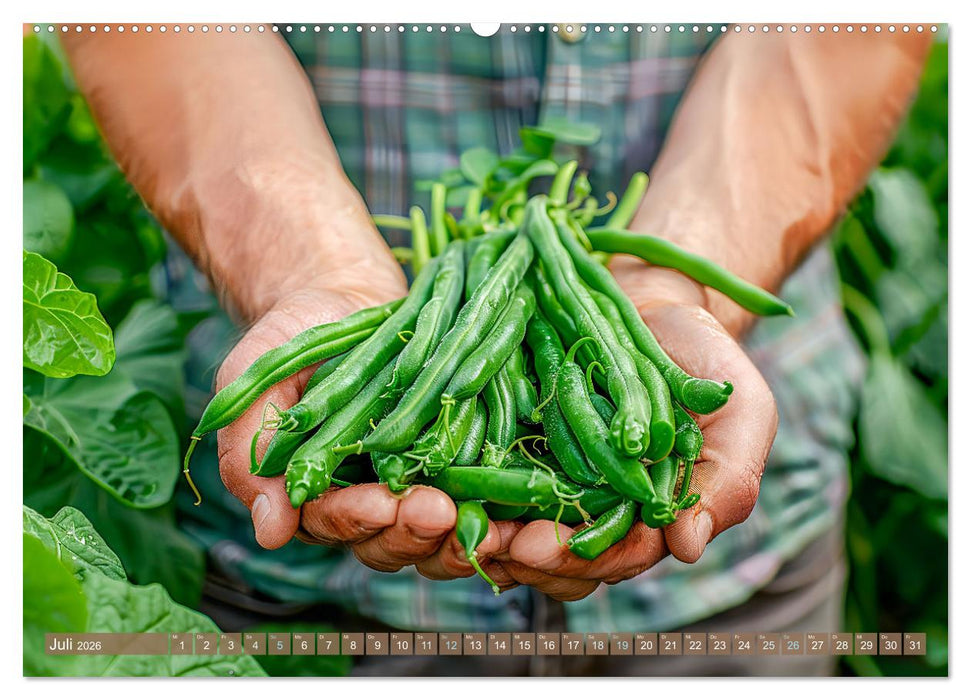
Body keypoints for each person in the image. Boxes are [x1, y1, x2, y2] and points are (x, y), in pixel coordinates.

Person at [61, 24, 931, 675]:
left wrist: (674, 291)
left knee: (588, 399)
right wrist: (309, 269)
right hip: (296, 598)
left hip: (746, 581)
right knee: (443, 374)